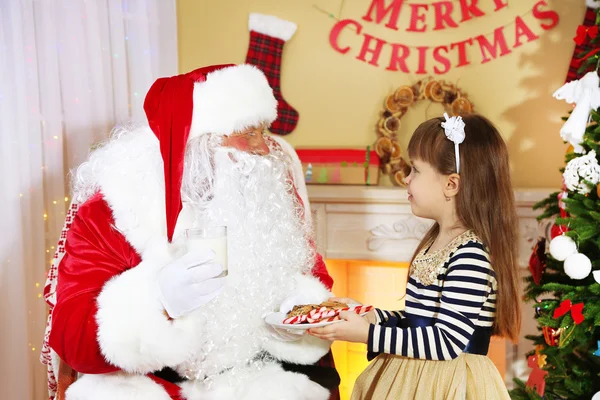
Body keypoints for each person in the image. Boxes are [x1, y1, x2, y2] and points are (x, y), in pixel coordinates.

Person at [40, 64, 340, 400]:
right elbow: (73, 337)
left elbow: (315, 278)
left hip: (255, 375)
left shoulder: (266, 198)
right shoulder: (112, 210)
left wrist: (295, 315)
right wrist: (158, 301)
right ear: (198, 142)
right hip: (155, 386)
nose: (264, 148)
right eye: (249, 133)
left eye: (264, 132)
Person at [308, 113, 521, 400]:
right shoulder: (436, 241)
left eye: (416, 170)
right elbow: (420, 320)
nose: (406, 178)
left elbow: (446, 341)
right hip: (413, 375)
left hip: (447, 385)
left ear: (451, 184)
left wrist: (368, 335)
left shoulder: (470, 255)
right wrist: (369, 315)